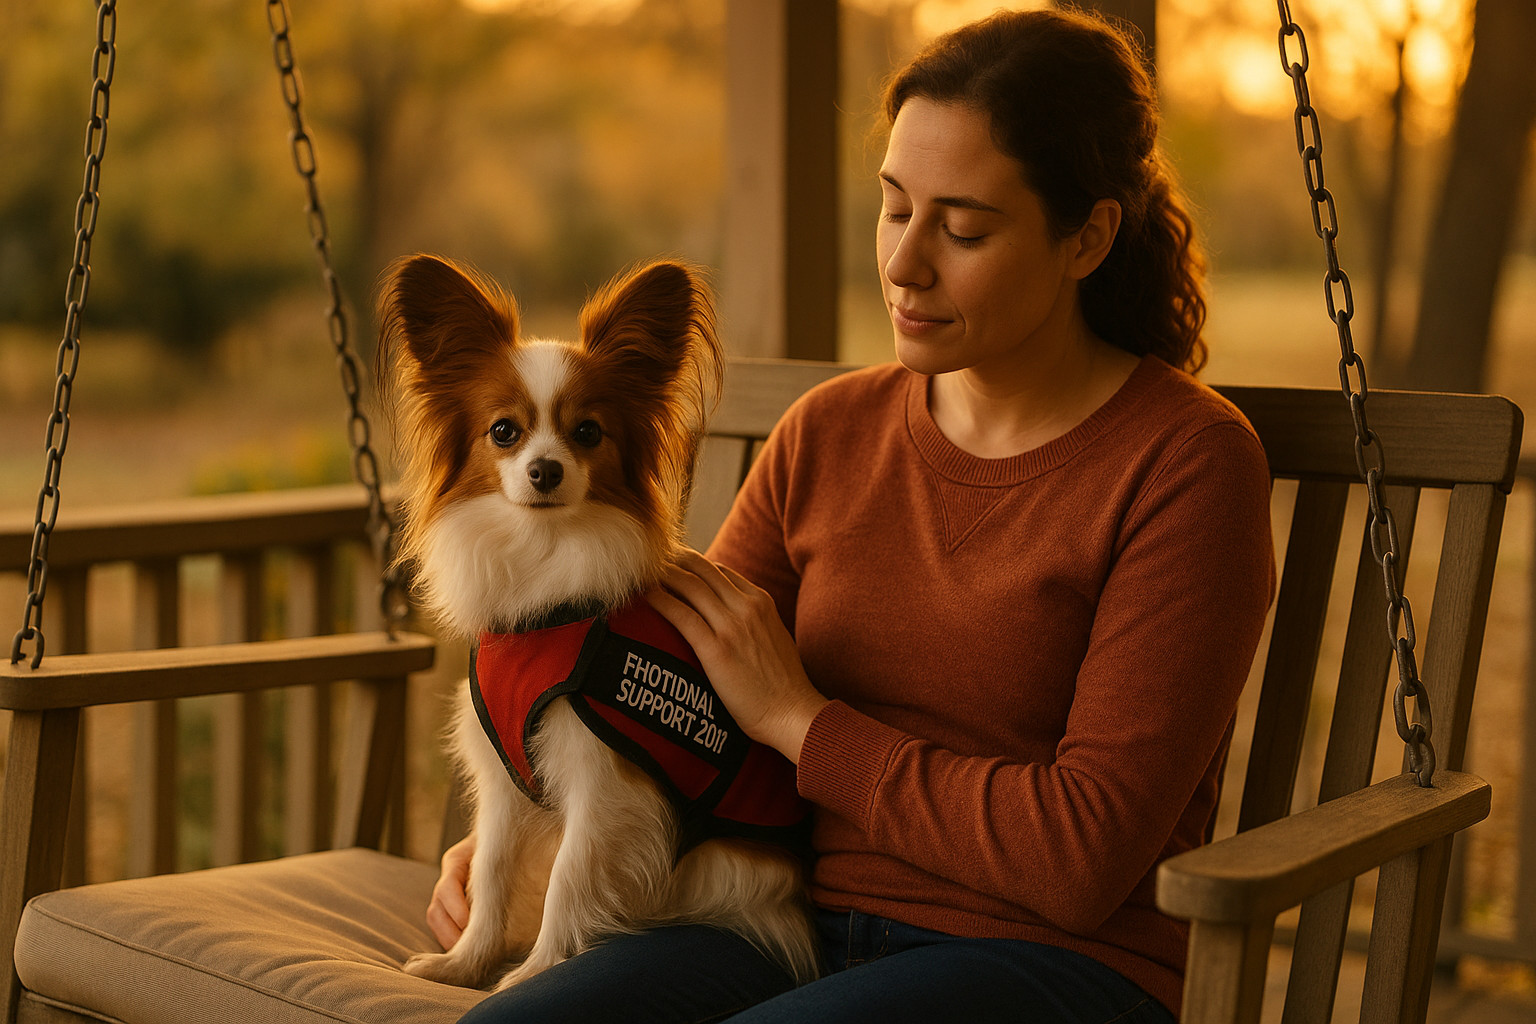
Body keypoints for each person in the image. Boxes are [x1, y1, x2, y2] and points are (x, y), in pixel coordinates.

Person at [436, 8, 1274, 1023]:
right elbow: (671, 702)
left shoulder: (1184, 463)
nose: (905, 264)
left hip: (1052, 961)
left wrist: (804, 724)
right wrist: (528, 819)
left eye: (963, 228)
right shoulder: (830, 431)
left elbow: (1079, 856)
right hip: (794, 928)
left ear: (1087, 237)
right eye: (893, 209)